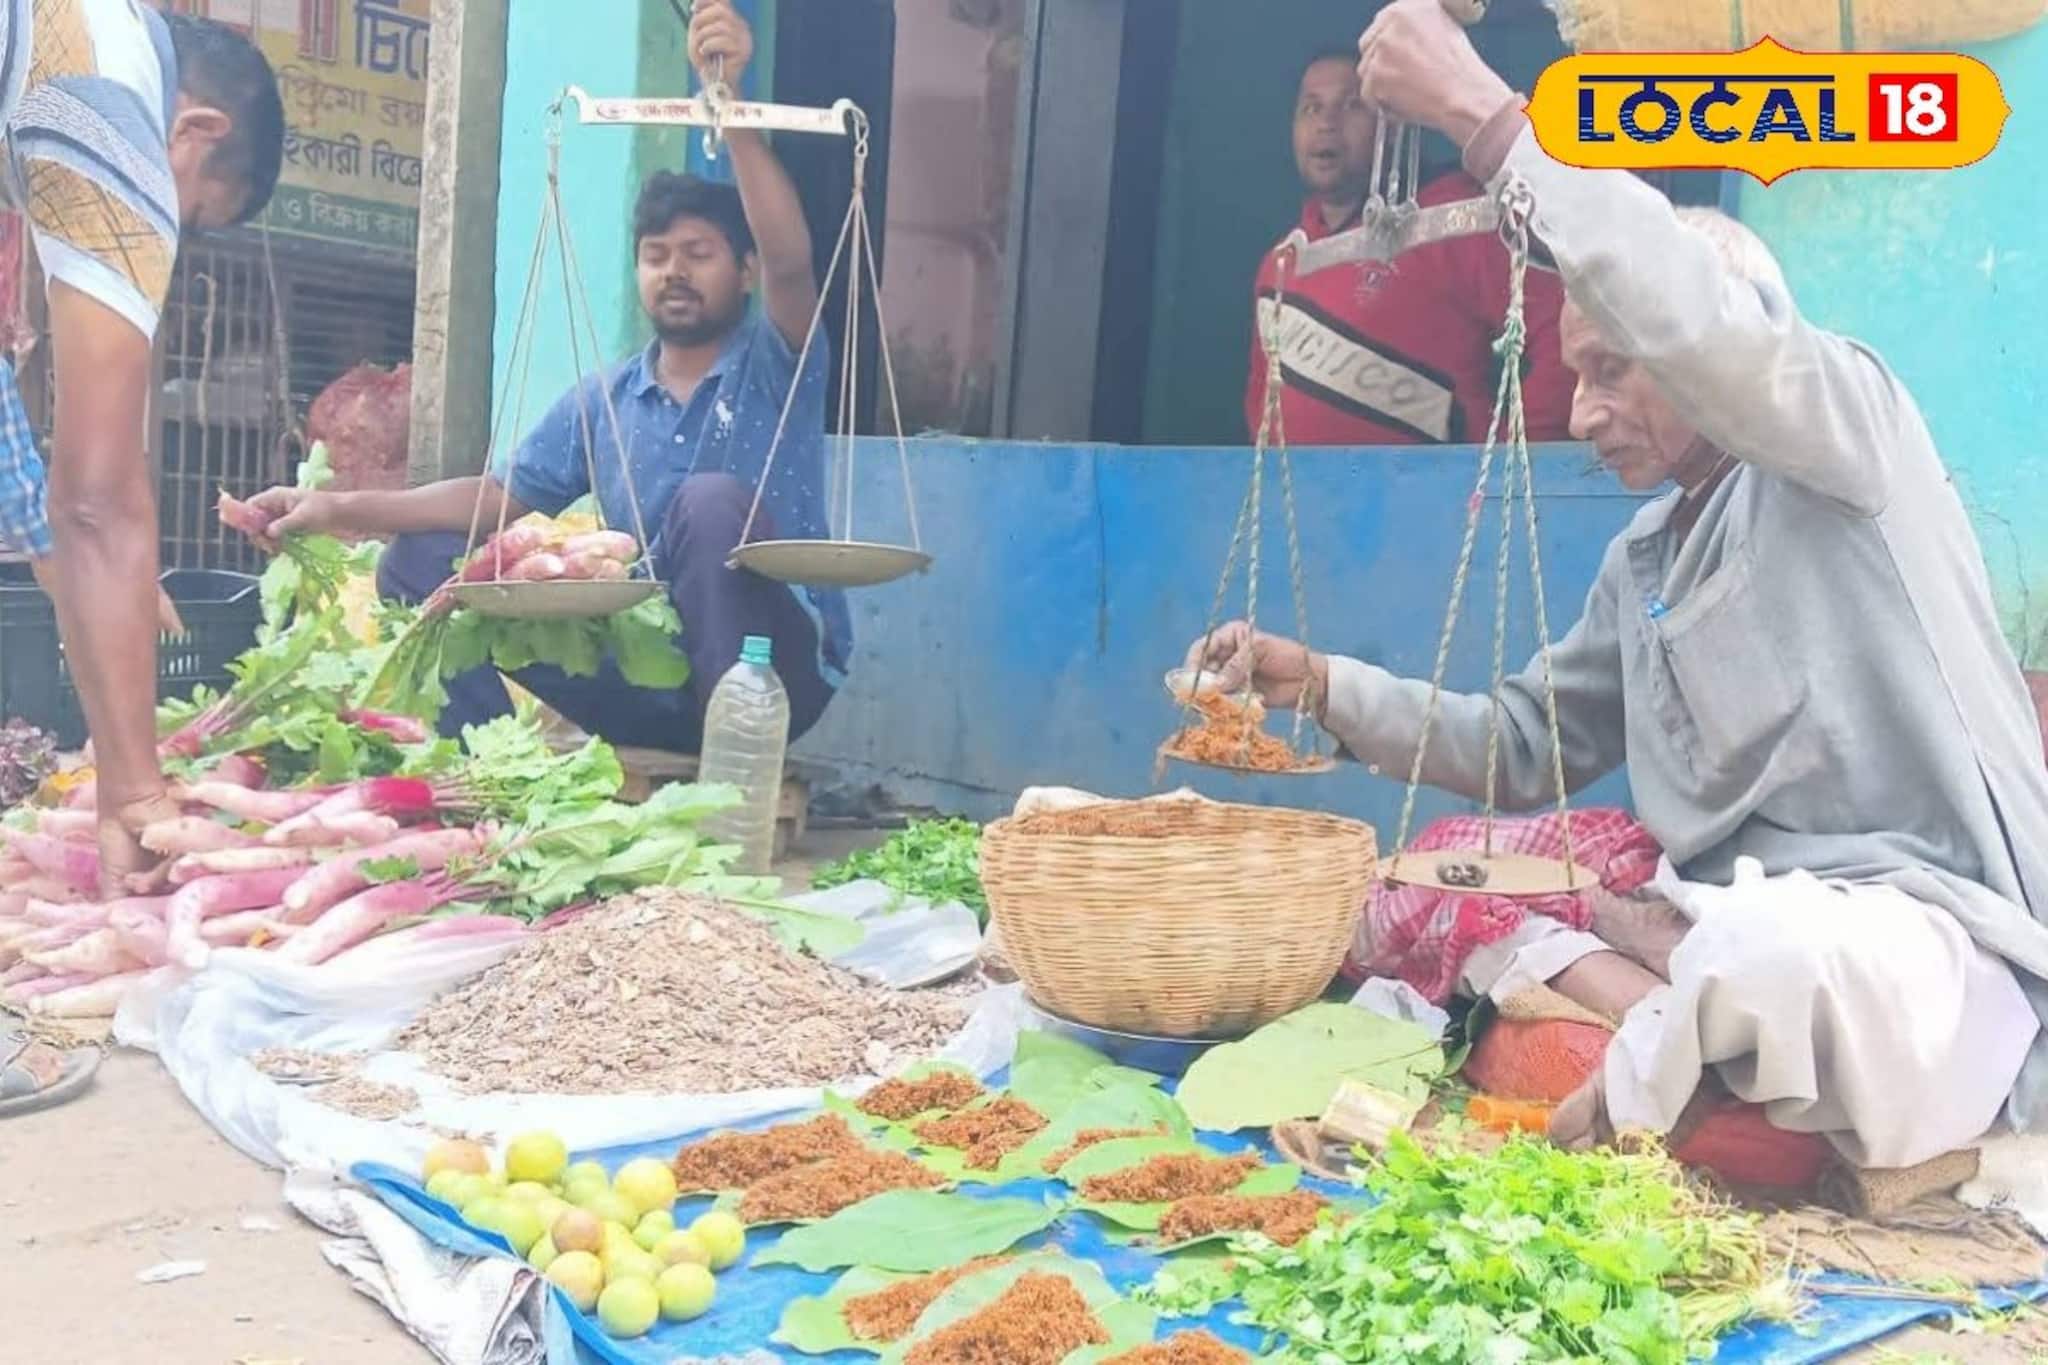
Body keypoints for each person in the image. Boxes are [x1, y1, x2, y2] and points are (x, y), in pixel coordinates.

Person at [1188, 0, 2048, 1172]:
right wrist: (1321, 683)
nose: (1580, 415)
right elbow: (1519, 739)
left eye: (1608, 372)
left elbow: (1707, 330)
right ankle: (1675, 1040)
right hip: (1703, 921)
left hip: (1910, 942)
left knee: (1766, 956)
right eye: (1569, 375)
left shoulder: (1846, 439)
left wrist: (1488, 122)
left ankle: (1657, 1042)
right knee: (1438, 873)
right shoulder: (1643, 557)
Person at [237, 0, 847, 753]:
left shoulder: (774, 366)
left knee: (709, 502)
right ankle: (494, 773)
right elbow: (496, 498)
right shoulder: (608, 399)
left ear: (744, 271)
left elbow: (792, 261)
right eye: (656, 255)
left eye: (699, 252)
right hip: (649, 672)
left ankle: (734, 770)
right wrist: (333, 508)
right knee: (426, 560)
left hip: (771, 673)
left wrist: (729, 105)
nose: (674, 271)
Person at [0, 4, 285, 1120]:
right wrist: (132, 788)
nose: (171, 242)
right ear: (193, 134)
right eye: (192, 218)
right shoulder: (110, 84)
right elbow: (101, 499)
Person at [1245, 47, 1575, 447]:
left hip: (1442, 503)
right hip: (1301, 505)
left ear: (1394, 124)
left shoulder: (1458, 221)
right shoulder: (1281, 262)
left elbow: (1565, 341)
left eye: (1352, 105)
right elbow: (1262, 407)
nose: (1327, 124)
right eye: (1311, 109)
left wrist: (1504, 470)